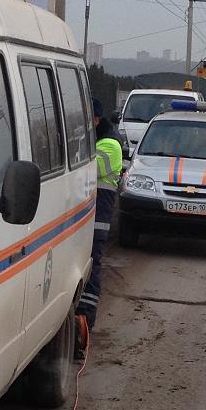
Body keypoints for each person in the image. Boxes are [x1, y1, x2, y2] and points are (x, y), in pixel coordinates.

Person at [76, 104, 123, 343]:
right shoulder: (101, 140)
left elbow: (86, 171)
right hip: (89, 216)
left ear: (95, 120)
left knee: (92, 265)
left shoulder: (109, 144)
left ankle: (85, 322)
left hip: (98, 218)